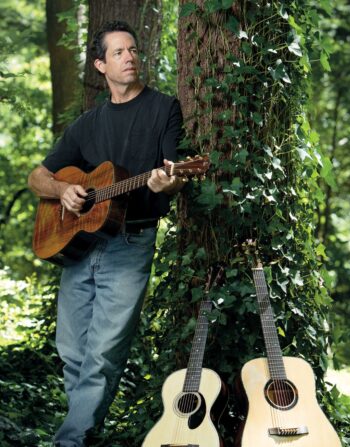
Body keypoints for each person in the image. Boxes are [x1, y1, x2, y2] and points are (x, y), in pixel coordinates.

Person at [28, 20, 184, 447]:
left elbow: (174, 173)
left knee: (102, 354)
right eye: (118, 52)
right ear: (100, 65)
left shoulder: (163, 108)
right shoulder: (87, 125)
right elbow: (37, 177)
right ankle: (86, 432)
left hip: (131, 241)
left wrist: (167, 182)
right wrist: (63, 190)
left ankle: (71, 440)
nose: (130, 57)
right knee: (72, 352)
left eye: (133, 50)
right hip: (80, 245)